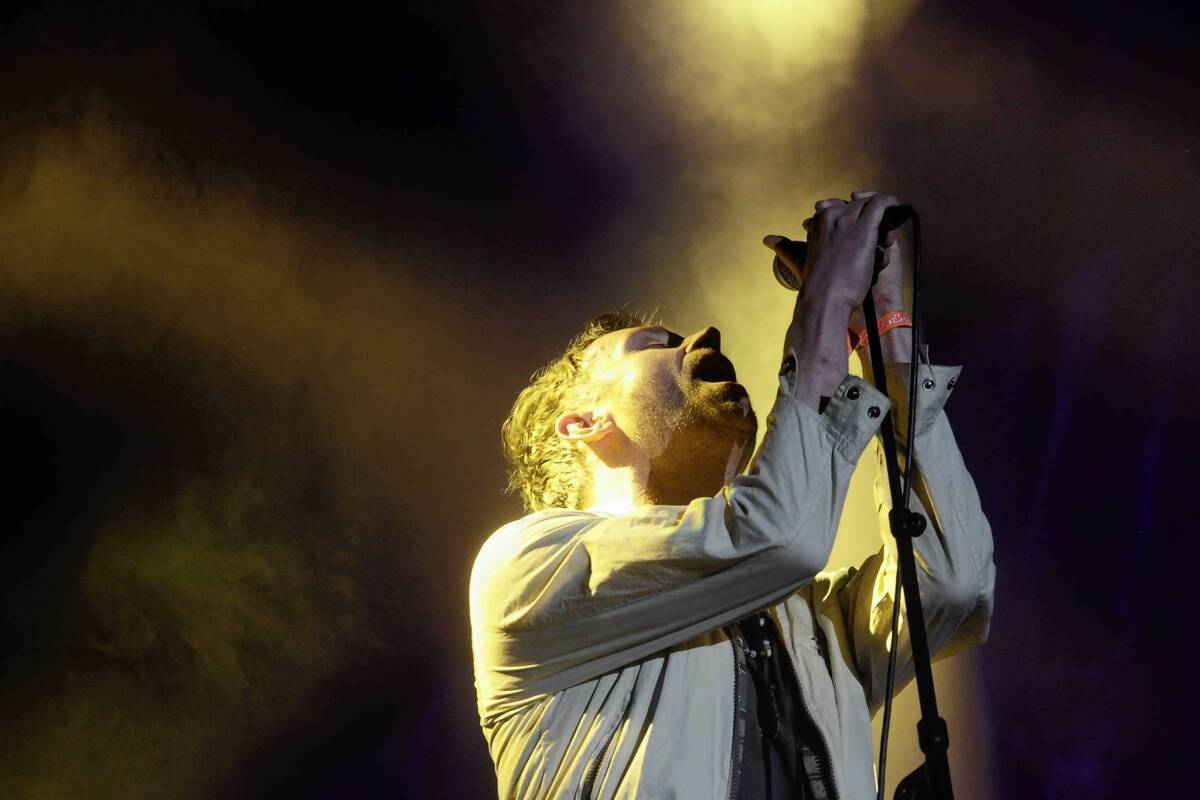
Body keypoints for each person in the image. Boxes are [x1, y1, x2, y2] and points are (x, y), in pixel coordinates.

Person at [470, 191, 995, 799]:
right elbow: (773, 536)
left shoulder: (806, 620)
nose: (701, 333)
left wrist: (885, 331)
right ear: (584, 423)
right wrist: (822, 300)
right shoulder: (529, 567)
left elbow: (951, 584)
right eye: (654, 344)